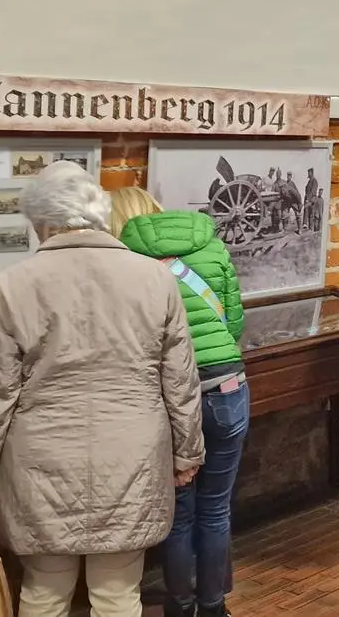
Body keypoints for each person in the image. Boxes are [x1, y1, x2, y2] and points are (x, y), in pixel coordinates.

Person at [0, 161, 205, 617]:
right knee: (118, 594)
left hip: (41, 457)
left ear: (44, 221)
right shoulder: (155, 277)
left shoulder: (15, 283)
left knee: (43, 592)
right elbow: (180, 378)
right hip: (132, 452)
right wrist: (187, 452)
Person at [111, 186, 249, 617]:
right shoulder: (210, 244)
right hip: (227, 386)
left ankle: (180, 605)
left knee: (179, 512)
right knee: (216, 508)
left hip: (171, 394)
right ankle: (213, 606)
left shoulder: (125, 262)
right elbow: (234, 323)